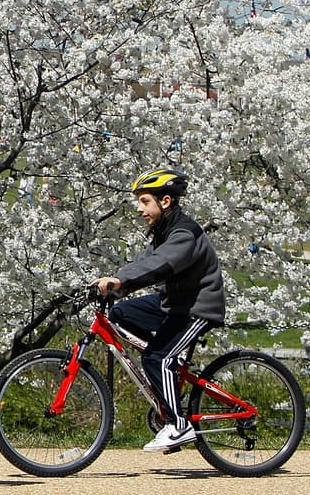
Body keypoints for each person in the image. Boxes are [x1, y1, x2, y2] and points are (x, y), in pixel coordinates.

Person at [92, 168, 225, 452]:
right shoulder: (164, 231)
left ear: (165, 201)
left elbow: (161, 264)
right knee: (120, 314)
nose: (139, 209)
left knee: (156, 358)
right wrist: (115, 283)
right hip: (173, 303)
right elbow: (145, 261)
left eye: (145, 201)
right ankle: (168, 364)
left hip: (197, 307)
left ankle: (178, 425)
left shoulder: (184, 233)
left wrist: (121, 280)